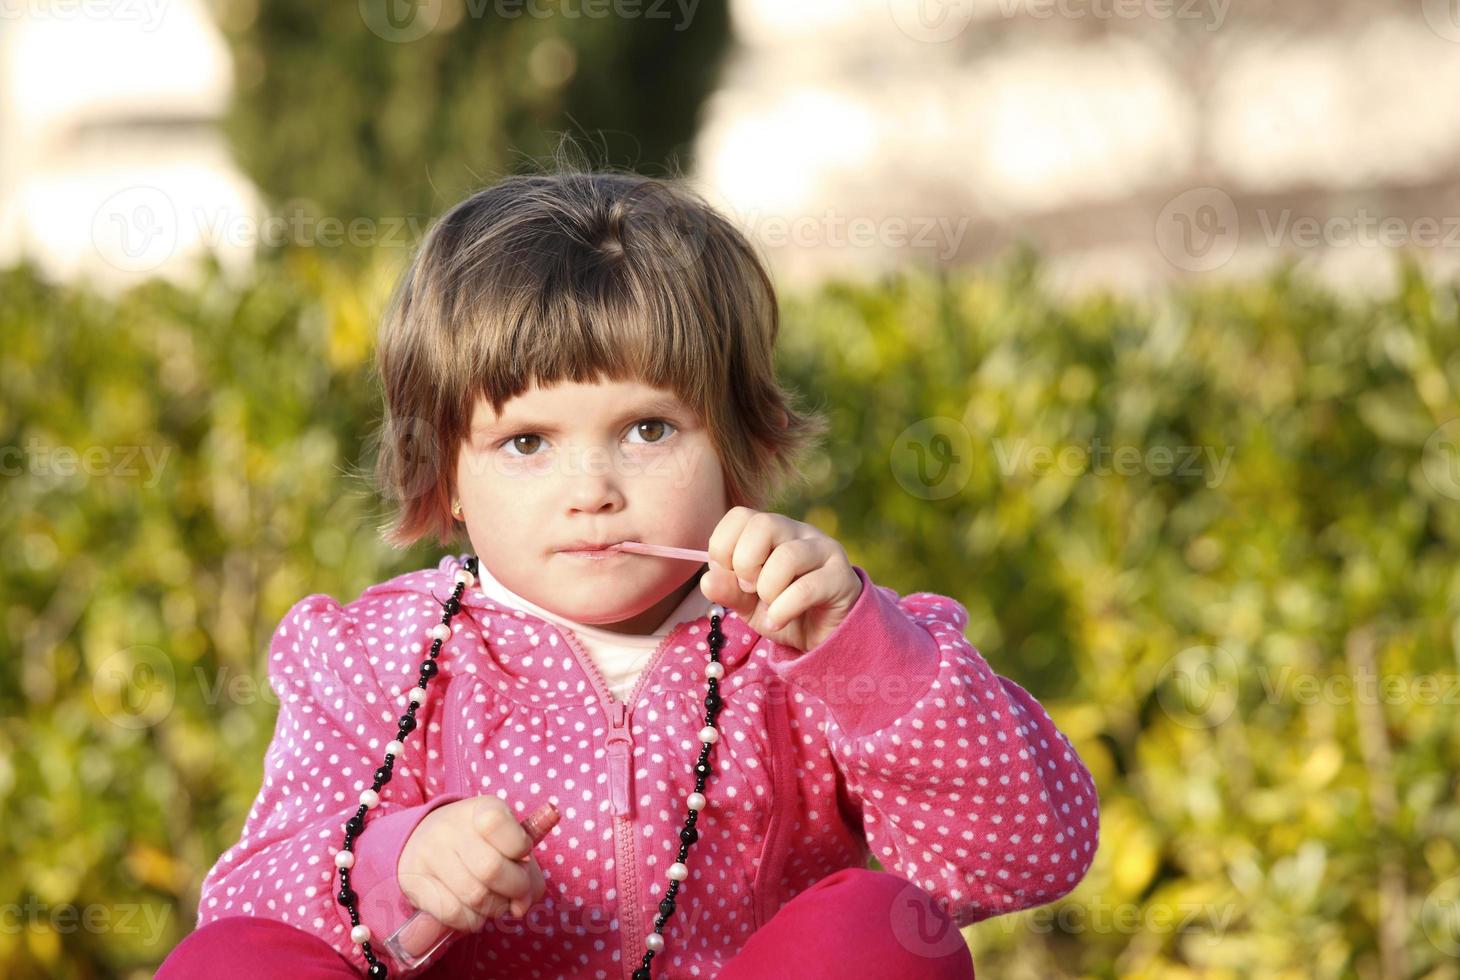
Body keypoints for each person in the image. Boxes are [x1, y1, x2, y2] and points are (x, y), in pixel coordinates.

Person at [156, 166, 1099, 979]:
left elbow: (1025, 854)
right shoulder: (372, 659)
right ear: (444, 474)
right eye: (526, 442)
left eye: (648, 431)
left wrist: (860, 651)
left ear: (737, 446)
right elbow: (248, 898)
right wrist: (399, 859)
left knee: (881, 935)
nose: (593, 490)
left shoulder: (798, 642)